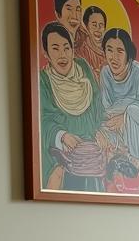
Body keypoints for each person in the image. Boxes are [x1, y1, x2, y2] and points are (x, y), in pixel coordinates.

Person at [37, 20, 105, 192]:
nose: (62, 55)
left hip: (91, 153)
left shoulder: (83, 68)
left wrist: (100, 131)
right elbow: (42, 121)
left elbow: (98, 106)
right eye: (55, 48)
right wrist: (62, 136)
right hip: (62, 153)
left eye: (67, 48)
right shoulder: (43, 80)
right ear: (45, 52)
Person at [98, 27, 139, 175]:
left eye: (120, 51)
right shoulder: (105, 73)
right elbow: (106, 109)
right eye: (109, 50)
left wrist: (125, 116)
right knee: (99, 132)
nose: (113, 57)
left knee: (133, 110)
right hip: (114, 123)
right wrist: (120, 116)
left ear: (128, 54)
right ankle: (120, 159)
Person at [76, 4, 107, 81]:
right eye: (94, 25)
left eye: (101, 25)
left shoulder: (109, 49)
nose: (98, 29)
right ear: (87, 26)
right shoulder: (81, 51)